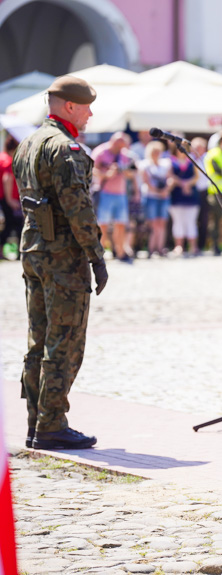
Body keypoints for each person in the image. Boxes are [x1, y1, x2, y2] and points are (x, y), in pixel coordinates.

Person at [13, 75, 107, 450]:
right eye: (86, 106)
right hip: (62, 256)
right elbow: (78, 209)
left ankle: (37, 422)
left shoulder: (29, 143)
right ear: (69, 106)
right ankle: (51, 424)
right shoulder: (64, 148)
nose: (90, 114)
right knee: (63, 341)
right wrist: (96, 256)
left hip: (33, 249)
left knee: (38, 338)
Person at [92, 132, 135, 262]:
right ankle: (100, 253)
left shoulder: (125, 154)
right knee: (102, 225)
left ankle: (120, 252)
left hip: (120, 194)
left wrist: (125, 171)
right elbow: (91, 169)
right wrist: (107, 174)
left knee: (121, 224)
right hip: (105, 192)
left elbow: (132, 173)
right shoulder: (100, 151)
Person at [138, 140, 171, 257]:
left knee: (162, 223)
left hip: (163, 197)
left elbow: (170, 179)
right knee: (153, 224)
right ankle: (152, 248)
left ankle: (160, 247)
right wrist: (158, 191)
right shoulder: (145, 165)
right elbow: (146, 181)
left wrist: (165, 190)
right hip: (151, 196)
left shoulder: (165, 164)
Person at [167, 142, 200, 256]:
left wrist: (188, 184)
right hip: (176, 196)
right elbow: (170, 176)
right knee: (178, 222)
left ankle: (193, 246)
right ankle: (179, 246)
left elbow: (196, 176)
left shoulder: (192, 161)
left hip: (191, 196)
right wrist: (182, 184)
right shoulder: (171, 161)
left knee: (191, 222)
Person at [204, 131, 222, 254]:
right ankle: (214, 246)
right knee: (216, 220)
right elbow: (220, 171)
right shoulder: (214, 154)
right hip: (216, 191)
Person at [1, 135, 23, 259]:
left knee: (8, 226)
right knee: (14, 226)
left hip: (3, 198)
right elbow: (7, 179)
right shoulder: (9, 160)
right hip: (8, 199)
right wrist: (10, 200)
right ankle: (20, 253)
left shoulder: (1, 158)